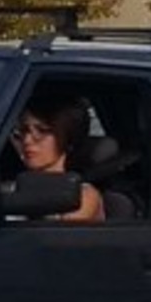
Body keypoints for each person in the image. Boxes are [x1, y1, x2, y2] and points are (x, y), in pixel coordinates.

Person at [9, 93, 106, 222]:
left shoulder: (83, 197)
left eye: (42, 131)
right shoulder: (8, 190)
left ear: (68, 138)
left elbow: (57, 240)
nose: (27, 140)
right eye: (23, 130)